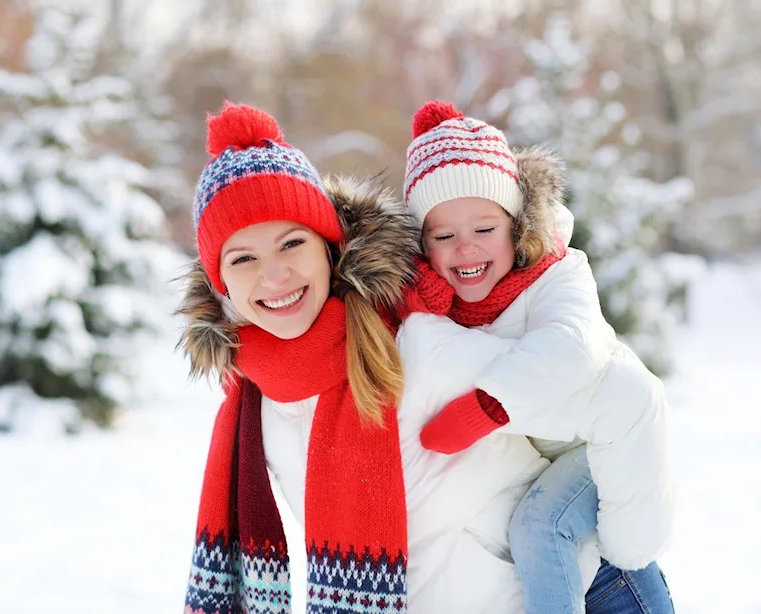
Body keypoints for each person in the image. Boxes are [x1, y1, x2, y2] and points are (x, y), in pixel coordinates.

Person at [177, 101, 602, 614]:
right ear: (220, 281)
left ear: (329, 248)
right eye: (243, 258)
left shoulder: (410, 339)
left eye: (292, 243)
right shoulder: (253, 399)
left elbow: (590, 408)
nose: (274, 275)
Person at [400, 100, 676, 614]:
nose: (466, 249)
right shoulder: (437, 306)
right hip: (548, 455)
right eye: (443, 236)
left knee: (542, 527)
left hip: (599, 449)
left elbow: (572, 343)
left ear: (516, 224)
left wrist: (485, 408)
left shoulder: (556, 272)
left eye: (484, 229)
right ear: (422, 244)